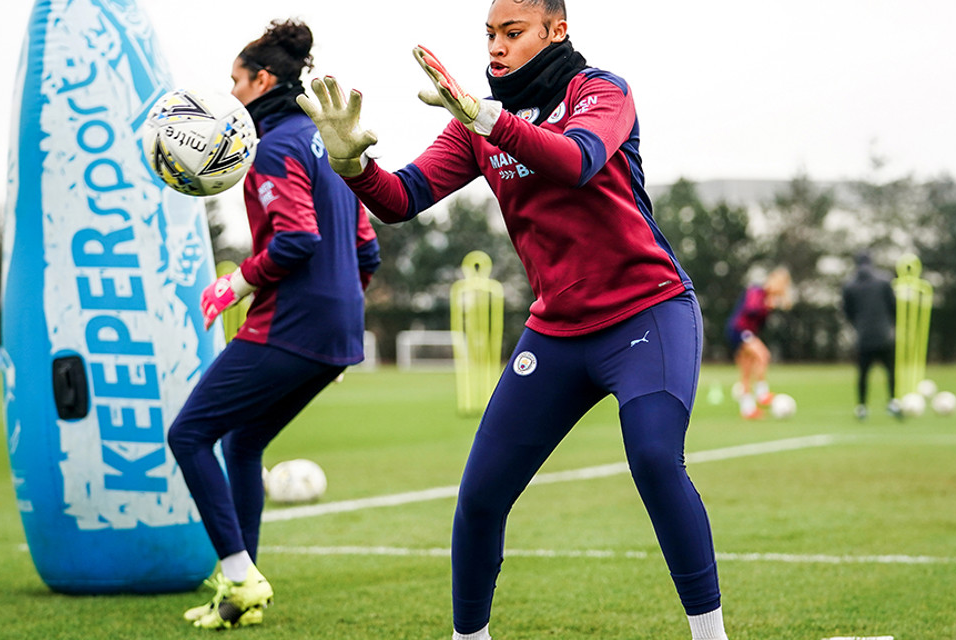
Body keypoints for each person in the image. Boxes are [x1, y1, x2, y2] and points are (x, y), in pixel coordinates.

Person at [297, 1, 728, 638]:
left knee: (655, 458)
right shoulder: (478, 123)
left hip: (648, 311)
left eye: (512, 32)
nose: (496, 47)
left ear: (556, 30)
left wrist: (487, 117)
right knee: (480, 496)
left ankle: (711, 635)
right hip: (557, 332)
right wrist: (352, 167)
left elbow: (576, 160)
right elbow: (401, 198)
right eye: (490, 35)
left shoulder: (600, 91)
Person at [166, 18, 380, 630]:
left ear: (262, 81)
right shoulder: (327, 143)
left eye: (236, 81)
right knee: (242, 442)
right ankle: (241, 592)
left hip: (291, 325)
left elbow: (296, 241)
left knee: (188, 435)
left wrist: (233, 283)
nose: (230, 93)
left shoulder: (274, 147)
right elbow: (367, 251)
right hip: (333, 332)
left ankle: (239, 574)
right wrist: (337, 325)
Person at [725, 268, 791, 419]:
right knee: (763, 355)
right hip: (740, 330)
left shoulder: (767, 297)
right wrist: (766, 305)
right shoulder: (756, 290)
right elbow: (751, 309)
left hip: (745, 332)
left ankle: (748, 410)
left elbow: (760, 323)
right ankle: (762, 394)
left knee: (746, 372)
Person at [842, 251, 901, 420]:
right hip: (884, 334)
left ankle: (861, 407)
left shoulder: (850, 285)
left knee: (863, 373)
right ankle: (892, 402)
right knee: (890, 370)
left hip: (864, 336)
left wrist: (858, 325)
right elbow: (893, 306)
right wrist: (890, 324)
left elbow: (847, 312)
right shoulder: (884, 281)